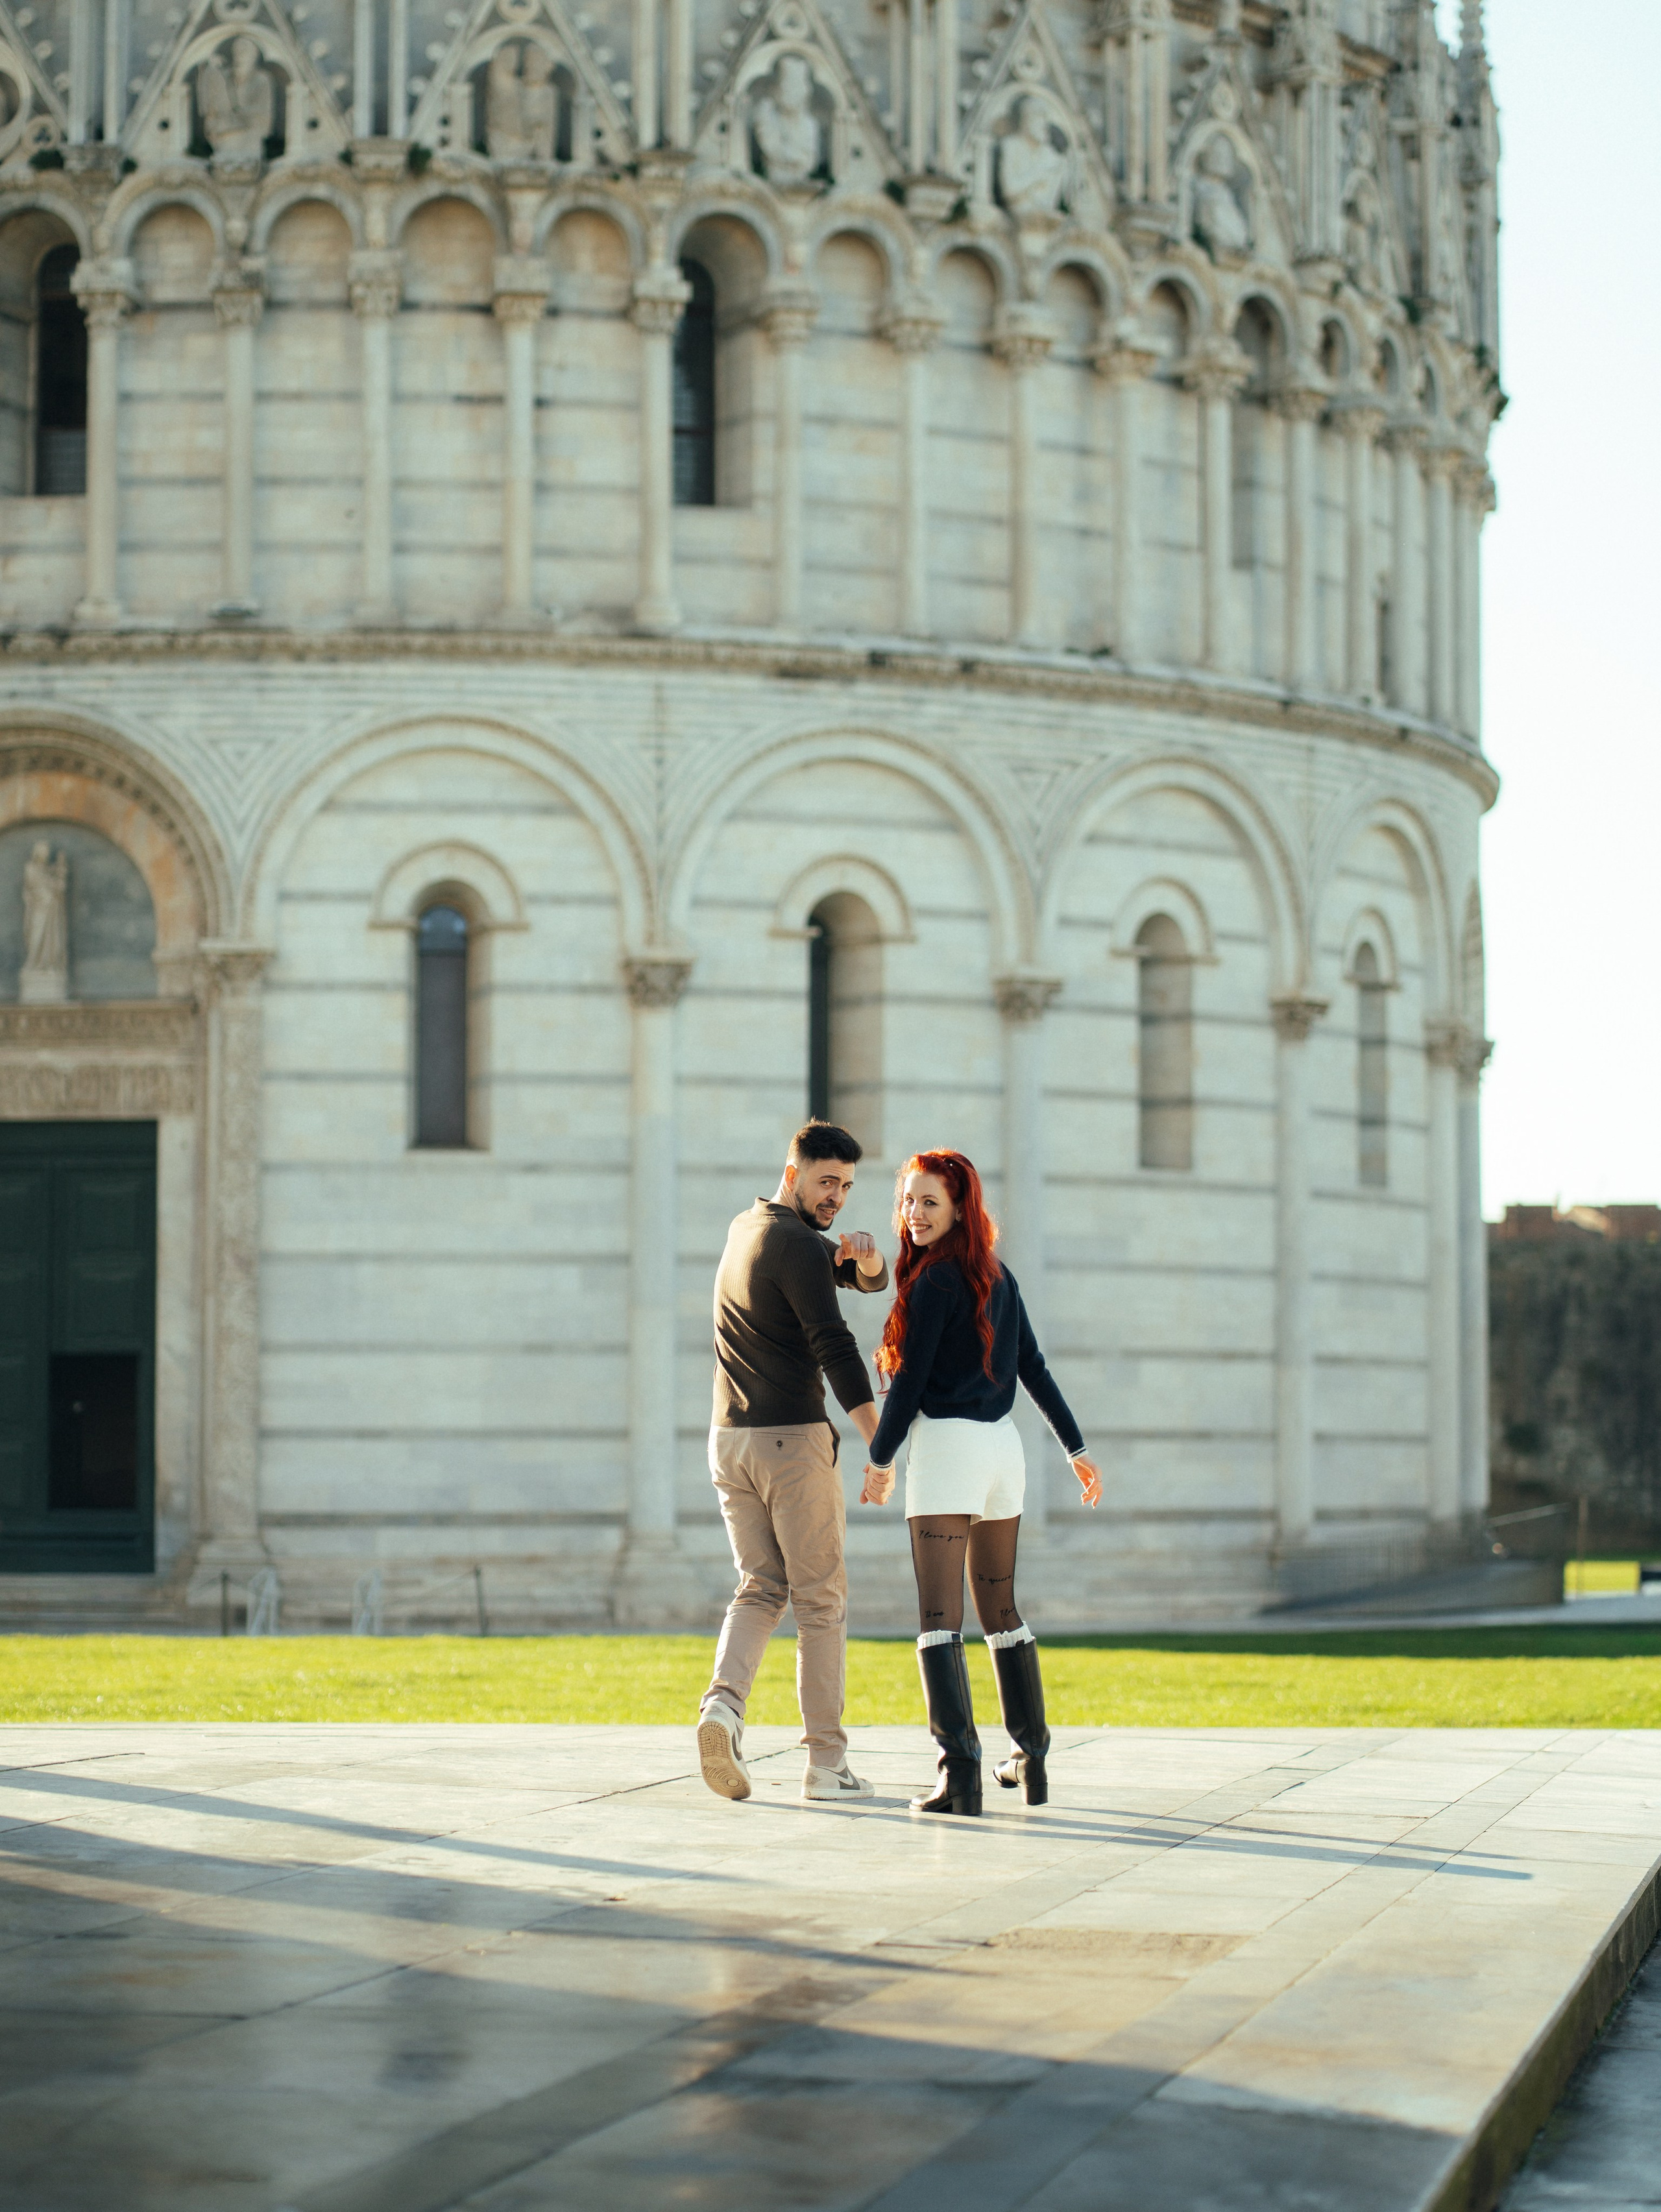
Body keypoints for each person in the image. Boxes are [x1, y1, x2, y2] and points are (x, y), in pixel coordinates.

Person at [860, 1150, 1100, 1817]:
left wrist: (879, 1460)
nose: (913, 1213)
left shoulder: (935, 1282)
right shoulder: (997, 1276)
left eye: (929, 1201)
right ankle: (1032, 1755)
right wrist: (1075, 1448)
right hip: (1004, 1454)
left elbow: (908, 1385)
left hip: (949, 1450)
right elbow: (1035, 1370)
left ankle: (958, 1773)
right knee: (1002, 1612)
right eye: (907, 1200)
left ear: (960, 1207)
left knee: (940, 1618)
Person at [697, 1120, 890, 1805]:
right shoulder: (799, 1244)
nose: (836, 1195)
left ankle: (722, 1706)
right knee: (820, 1599)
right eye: (825, 1181)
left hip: (729, 1439)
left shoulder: (747, 1229)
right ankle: (826, 1765)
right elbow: (833, 1341)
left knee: (760, 1585)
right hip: (790, 1443)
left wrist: (863, 1264)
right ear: (793, 1170)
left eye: (844, 1185)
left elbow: (845, 1277)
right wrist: (879, 1436)